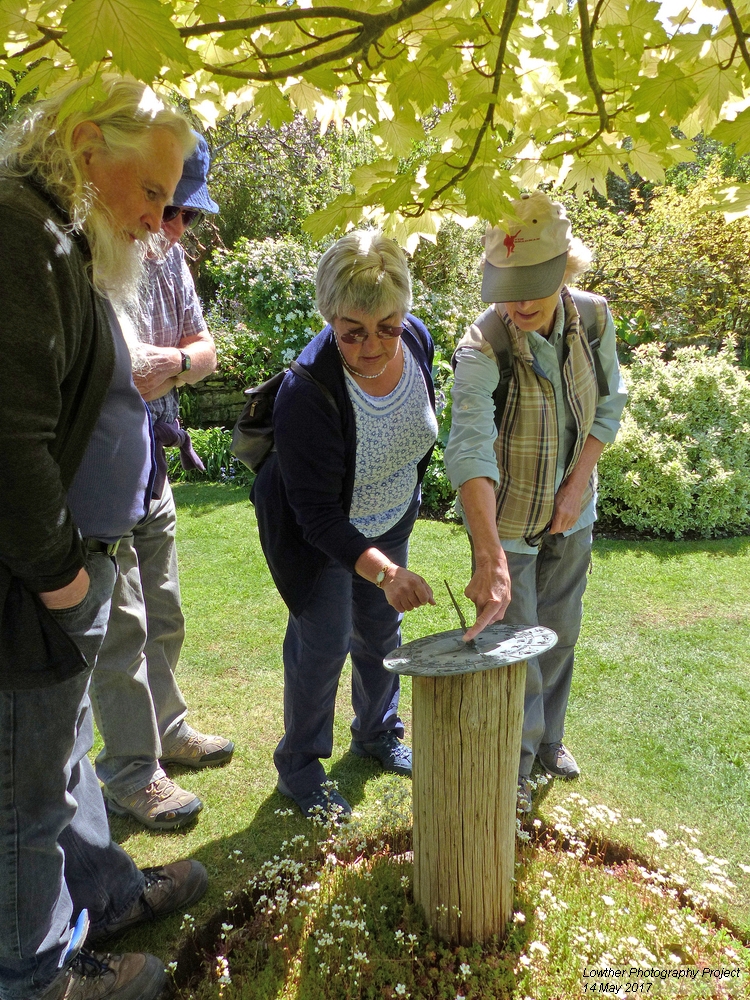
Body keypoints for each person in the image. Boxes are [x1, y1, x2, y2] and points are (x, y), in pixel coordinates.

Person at [0, 78, 209, 1000]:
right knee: (22, 794)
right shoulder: (22, 232)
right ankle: (36, 975)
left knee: (62, 752)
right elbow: (10, 438)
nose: (161, 214)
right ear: (86, 146)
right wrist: (60, 581)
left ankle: (107, 895)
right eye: (153, 190)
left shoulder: (61, 233)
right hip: (32, 583)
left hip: (73, 560)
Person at [444, 191, 628, 813]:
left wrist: (576, 488)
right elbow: (468, 445)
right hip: (511, 522)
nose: (518, 302)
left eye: (532, 287)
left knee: (562, 630)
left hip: (573, 511)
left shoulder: (595, 319)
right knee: (517, 649)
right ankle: (516, 772)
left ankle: (551, 740)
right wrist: (488, 552)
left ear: (564, 273)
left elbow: (609, 404)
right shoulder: (483, 345)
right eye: (507, 287)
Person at [252, 230, 438, 819]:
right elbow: (317, 516)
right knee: (323, 644)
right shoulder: (307, 392)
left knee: (382, 634)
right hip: (321, 536)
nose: (373, 346)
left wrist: (388, 553)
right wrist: (383, 571)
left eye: (387, 325)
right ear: (330, 316)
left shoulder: (417, 341)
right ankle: (300, 766)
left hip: (390, 516)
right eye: (352, 330)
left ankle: (378, 730)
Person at [91, 133, 234, 831]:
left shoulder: (170, 261)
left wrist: (171, 361)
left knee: (165, 613)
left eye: (189, 215)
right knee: (121, 631)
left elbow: (206, 352)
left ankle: (169, 732)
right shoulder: (89, 257)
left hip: (154, 470)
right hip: (98, 478)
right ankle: (129, 772)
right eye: (169, 208)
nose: (174, 227)